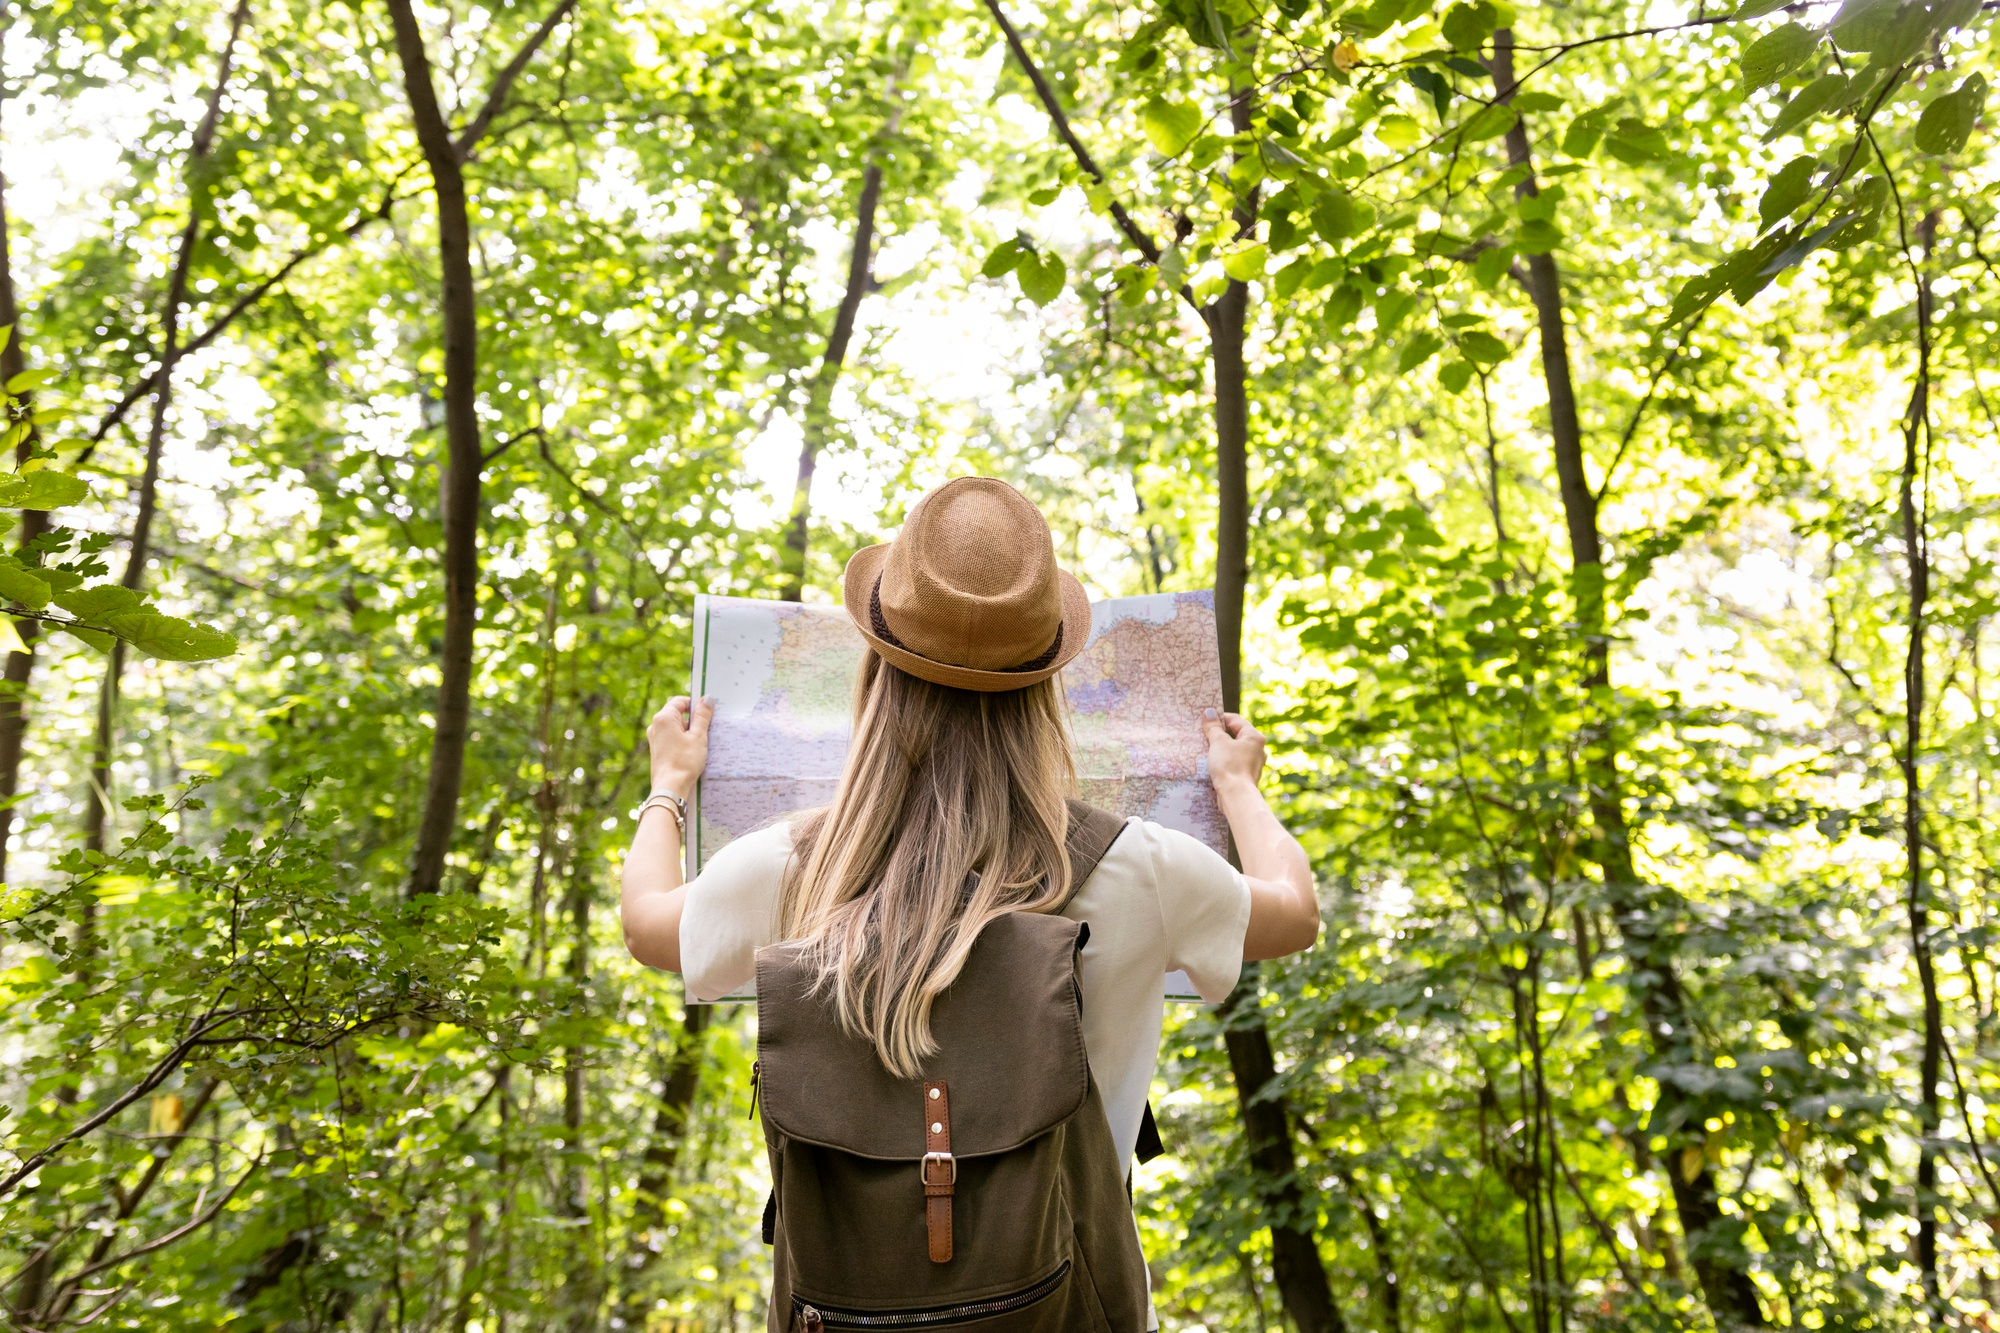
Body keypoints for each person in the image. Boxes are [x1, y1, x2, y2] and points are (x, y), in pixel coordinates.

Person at [620, 476, 1319, 1328]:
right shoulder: (1142, 868)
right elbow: (1295, 907)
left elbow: (649, 925)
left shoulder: (793, 865)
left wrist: (669, 787)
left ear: (875, 671)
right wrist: (1239, 790)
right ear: (1048, 688)